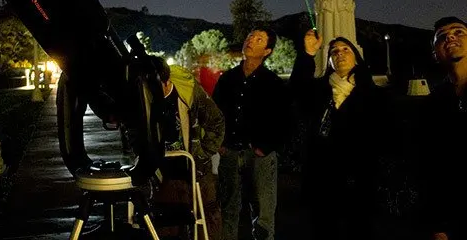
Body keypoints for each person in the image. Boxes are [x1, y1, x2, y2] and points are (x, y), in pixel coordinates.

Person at [289, 29, 387, 240]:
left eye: (345, 50)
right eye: (334, 51)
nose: (339, 53)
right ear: (330, 60)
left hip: (359, 181)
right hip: (322, 180)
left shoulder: (373, 94)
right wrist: (307, 54)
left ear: (357, 58)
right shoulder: (319, 90)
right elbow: (296, 90)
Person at [212, 27, 292, 240]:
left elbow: (284, 120)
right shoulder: (228, 79)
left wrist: (264, 147)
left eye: (259, 40)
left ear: (267, 50)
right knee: (228, 209)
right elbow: (215, 113)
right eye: (250, 36)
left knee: (263, 213)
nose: (251, 41)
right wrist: (220, 143)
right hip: (230, 152)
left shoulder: (273, 83)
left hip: (259, 156)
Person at [149, 55, 225, 240]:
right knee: (168, 223)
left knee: (207, 218)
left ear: (167, 81)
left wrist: (202, 154)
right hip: (164, 172)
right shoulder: (145, 94)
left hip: (196, 167)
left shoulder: (189, 92)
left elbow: (216, 121)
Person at [419, 16, 467, 240]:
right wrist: (437, 225)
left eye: (459, 32)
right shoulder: (434, 102)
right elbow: (431, 166)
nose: (450, 36)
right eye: (441, 37)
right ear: (435, 54)